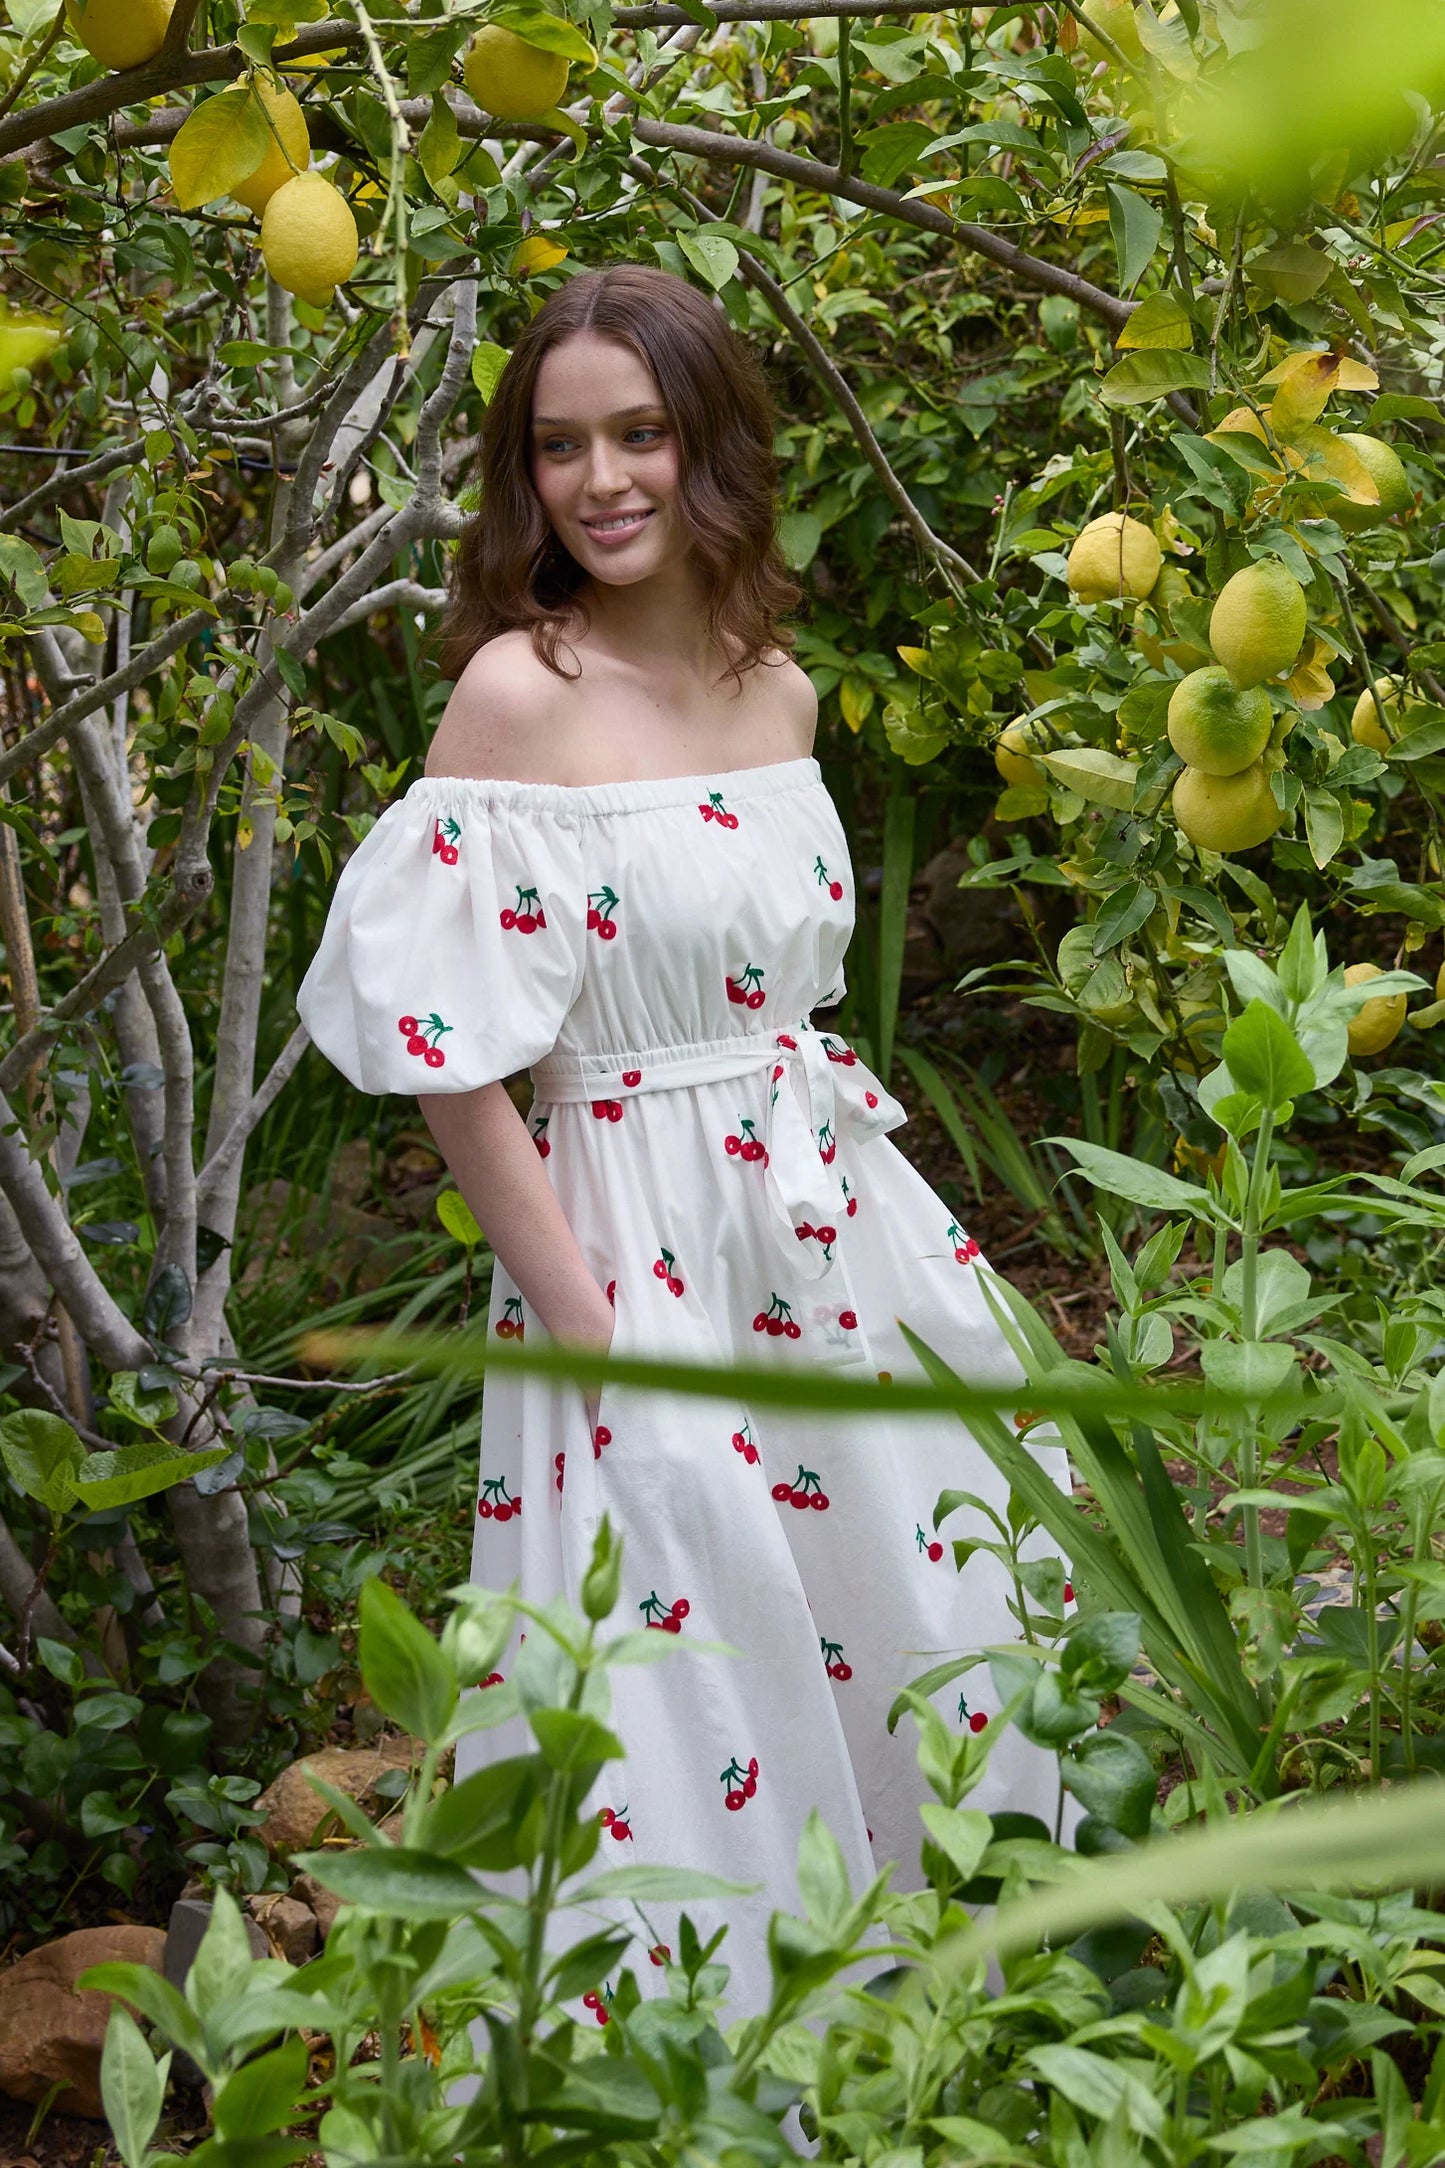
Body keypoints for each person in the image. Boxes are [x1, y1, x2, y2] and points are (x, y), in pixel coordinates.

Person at [296, 262, 1073, 2028]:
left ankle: (943, 2010)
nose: (601, 480)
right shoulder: (517, 698)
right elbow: (454, 1069)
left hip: (824, 1217)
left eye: (639, 433)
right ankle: (713, 2068)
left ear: (708, 443)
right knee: (687, 1650)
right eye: (558, 445)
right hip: (627, 1242)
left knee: (929, 1590)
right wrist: (595, 1337)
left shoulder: (774, 688)